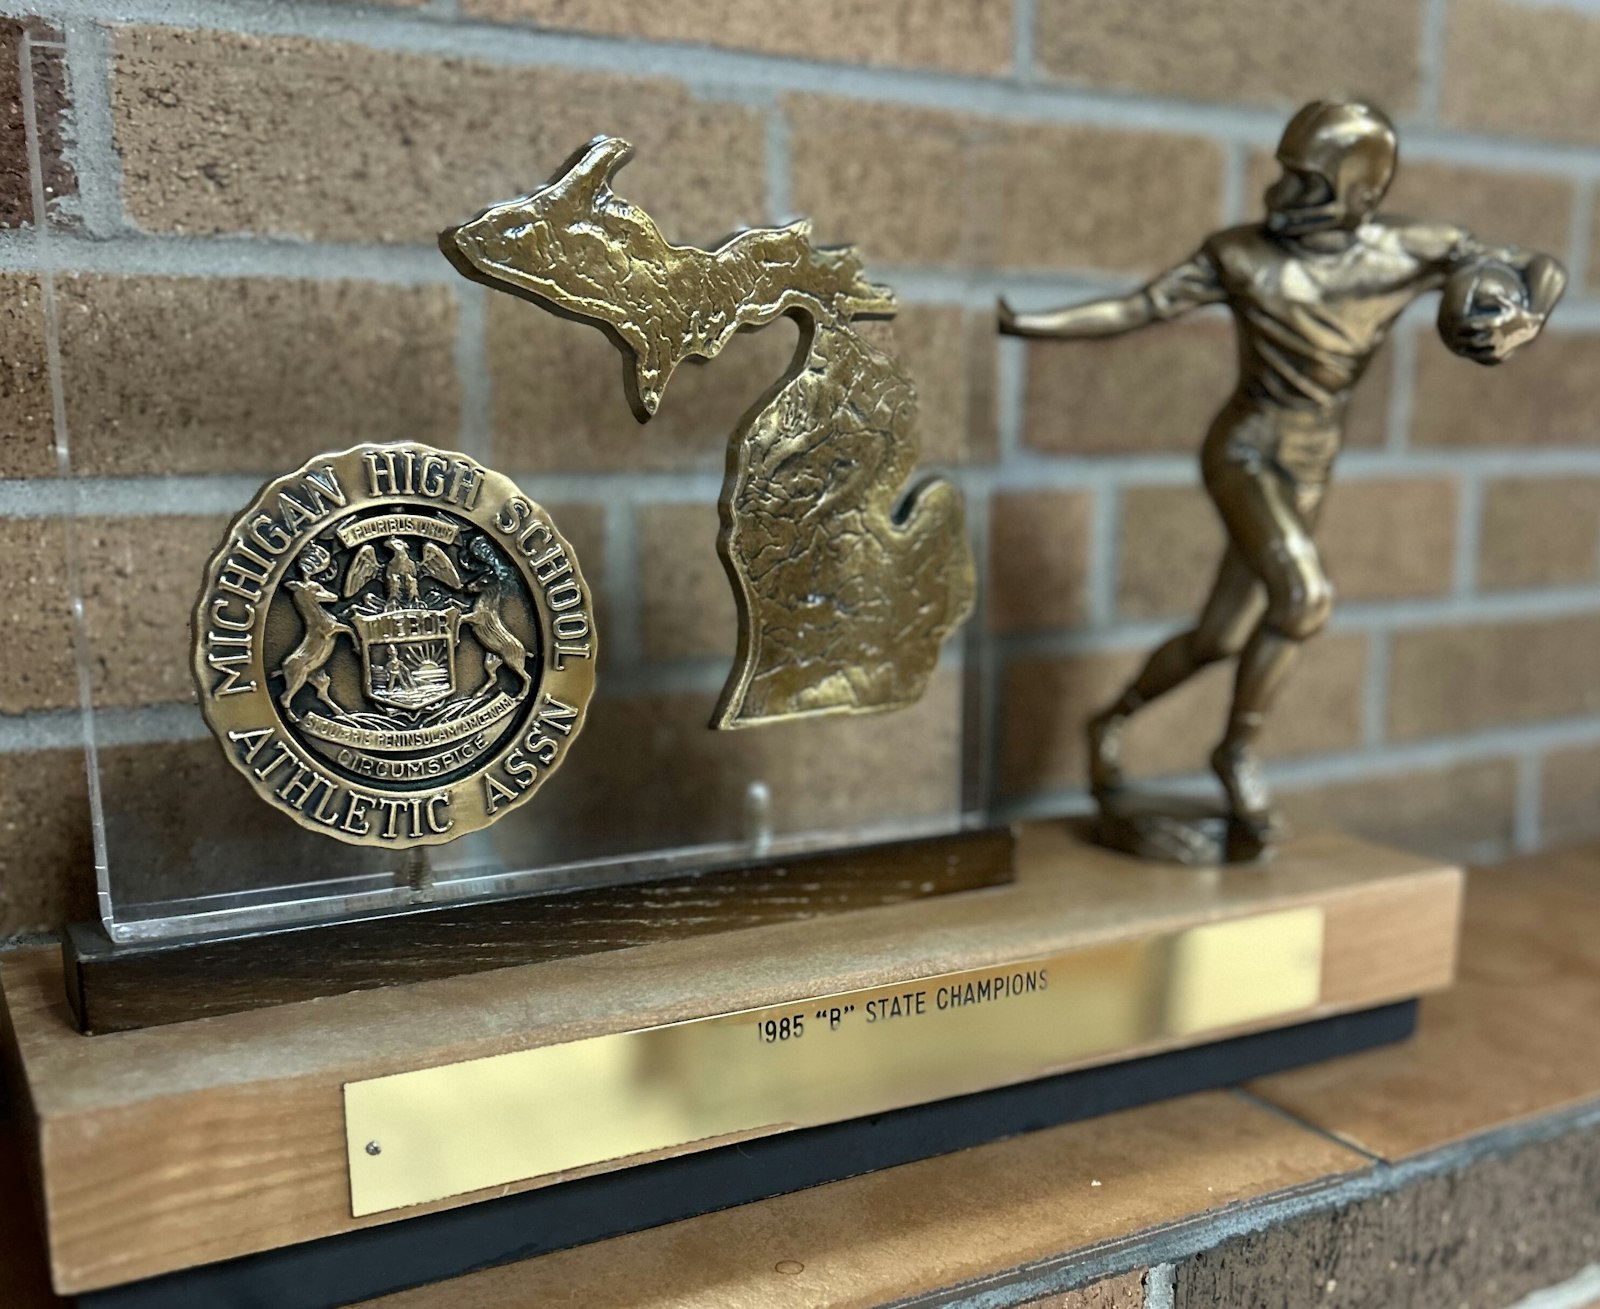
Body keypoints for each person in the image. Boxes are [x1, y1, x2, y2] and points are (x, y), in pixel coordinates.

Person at [999, 100, 1567, 840]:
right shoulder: (1242, 255)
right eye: (1286, 175)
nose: (1285, 194)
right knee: (1303, 600)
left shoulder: (1409, 251)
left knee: (1218, 637)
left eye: (1309, 182)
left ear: (1360, 192)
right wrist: (1023, 322)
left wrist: (1526, 314)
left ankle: (1110, 720)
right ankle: (1235, 753)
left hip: (1311, 463)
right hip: (1245, 450)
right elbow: (1140, 307)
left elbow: (1536, 266)